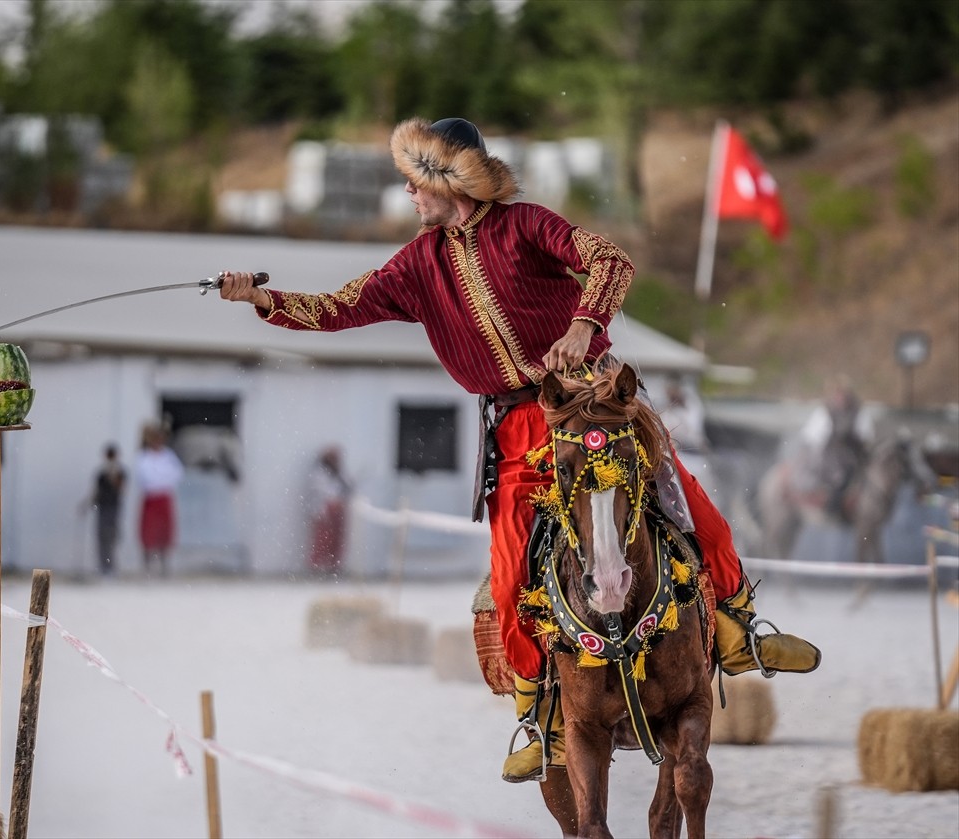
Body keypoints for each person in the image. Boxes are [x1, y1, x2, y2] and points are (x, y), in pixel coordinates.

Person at [218, 117, 819, 788]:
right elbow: (338, 307)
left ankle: (738, 630)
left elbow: (611, 260)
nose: (408, 194)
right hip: (516, 430)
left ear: (450, 180)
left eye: (415, 182)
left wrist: (584, 323)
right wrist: (260, 297)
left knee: (695, 512)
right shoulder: (416, 265)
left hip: (596, 400)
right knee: (508, 579)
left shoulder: (527, 225)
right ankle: (539, 715)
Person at [797, 375, 875, 520]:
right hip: (830, 458)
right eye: (838, 394)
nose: (841, 398)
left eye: (843, 393)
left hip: (854, 456)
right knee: (838, 479)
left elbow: (866, 436)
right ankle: (833, 510)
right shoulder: (825, 412)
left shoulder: (858, 411)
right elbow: (814, 439)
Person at [136, 424, 184, 577]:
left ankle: (164, 566)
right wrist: (159, 480)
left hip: (164, 497)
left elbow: (177, 474)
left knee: (164, 533)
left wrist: (163, 481)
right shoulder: (144, 457)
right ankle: (148, 566)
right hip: (151, 498)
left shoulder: (168, 456)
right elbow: (144, 476)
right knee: (148, 533)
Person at [306, 446, 352, 575]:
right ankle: (317, 566)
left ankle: (333, 566)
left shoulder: (339, 473)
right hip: (324, 513)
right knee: (322, 540)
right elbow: (324, 491)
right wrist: (333, 500)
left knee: (336, 541)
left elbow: (345, 488)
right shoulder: (318, 473)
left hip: (337, 513)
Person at [90, 444, 126, 576]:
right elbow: (97, 491)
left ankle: (111, 565)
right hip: (103, 507)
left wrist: (112, 475)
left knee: (112, 537)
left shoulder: (119, 472)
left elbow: (121, 488)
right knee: (102, 537)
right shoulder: (101, 473)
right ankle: (103, 566)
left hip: (113, 508)